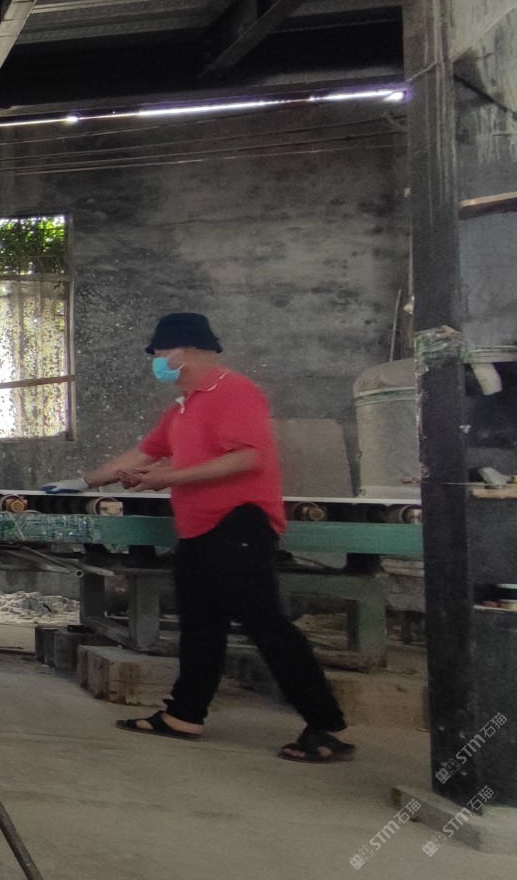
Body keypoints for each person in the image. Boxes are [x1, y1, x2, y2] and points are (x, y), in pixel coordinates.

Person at [48, 312, 353, 763]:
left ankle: (325, 726)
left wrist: (168, 477)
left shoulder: (234, 391)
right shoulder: (182, 407)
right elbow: (146, 452)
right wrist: (84, 482)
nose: (156, 362)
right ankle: (184, 714)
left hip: (238, 522)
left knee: (265, 624)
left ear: (184, 350)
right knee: (200, 624)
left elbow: (247, 458)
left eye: (159, 354)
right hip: (198, 527)